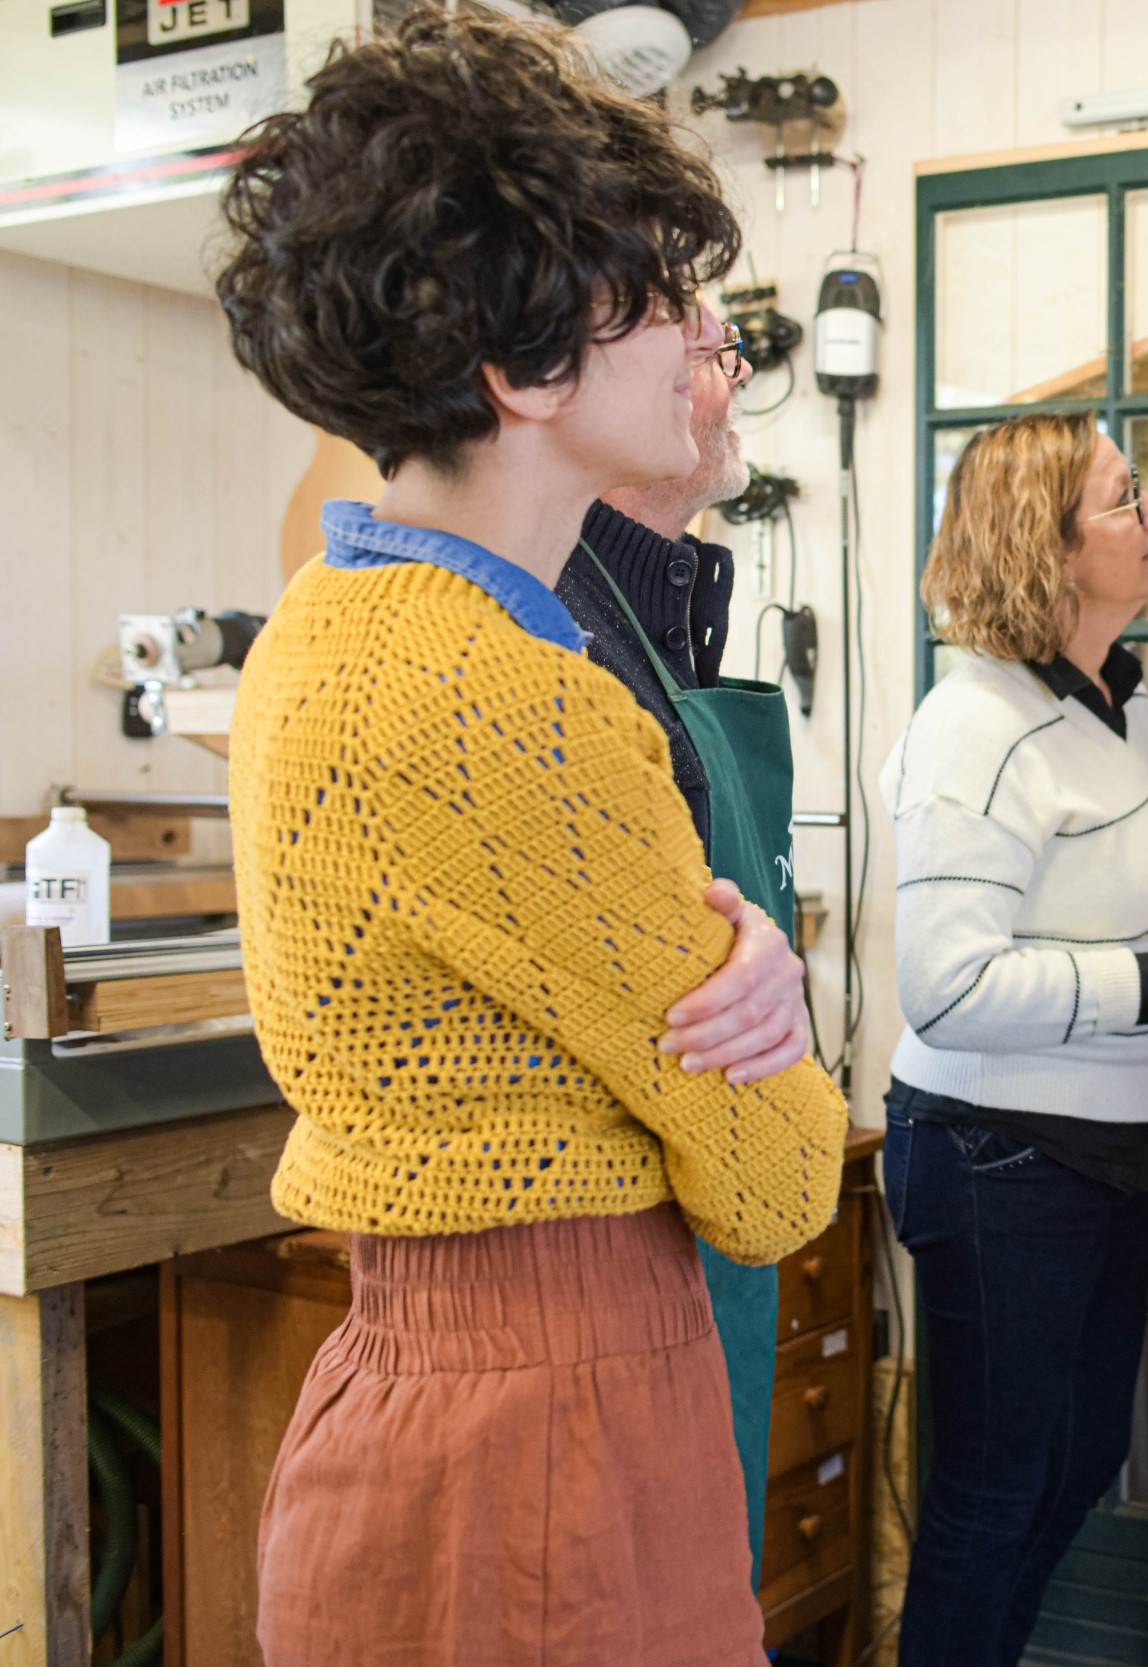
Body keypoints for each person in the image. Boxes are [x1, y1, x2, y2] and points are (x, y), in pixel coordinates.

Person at [215, 11, 847, 1663]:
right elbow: (779, 1177)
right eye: (656, 304)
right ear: (526, 367)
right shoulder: (514, 700)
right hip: (552, 1439)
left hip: (408, 1393)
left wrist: (738, 973)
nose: (699, 345)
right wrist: (757, 991)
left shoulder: (317, 632)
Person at [879, 411, 1148, 1666]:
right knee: (994, 1495)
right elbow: (946, 986)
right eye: (1125, 500)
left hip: (1106, 1149)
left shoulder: (1136, 714)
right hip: (996, 1151)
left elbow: (1092, 890)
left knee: (1071, 1473)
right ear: (1046, 546)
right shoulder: (975, 723)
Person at [558, 304, 812, 1582]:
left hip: (725, 1211)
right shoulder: (563, 642)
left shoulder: (666, 614)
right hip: (633, 1245)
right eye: (709, 353)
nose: (733, 376)